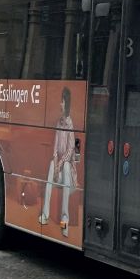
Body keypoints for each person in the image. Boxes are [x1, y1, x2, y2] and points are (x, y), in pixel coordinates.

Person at [38, 87, 77, 237]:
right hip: (57, 176)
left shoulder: (70, 124)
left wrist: (59, 165)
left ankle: (64, 220)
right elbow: (55, 149)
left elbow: (70, 150)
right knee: (51, 164)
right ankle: (45, 215)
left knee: (66, 165)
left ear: (66, 104)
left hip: (69, 179)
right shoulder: (58, 123)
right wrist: (55, 164)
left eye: (62, 101)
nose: (60, 104)